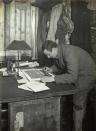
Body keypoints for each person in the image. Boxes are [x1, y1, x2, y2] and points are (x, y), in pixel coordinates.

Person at [41, 40, 96, 131]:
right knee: (62, 90)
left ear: (54, 49)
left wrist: (53, 78)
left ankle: (78, 128)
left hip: (87, 76)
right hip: (77, 74)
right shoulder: (59, 51)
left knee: (78, 102)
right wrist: (51, 69)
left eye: (49, 54)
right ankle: (62, 121)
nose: (48, 57)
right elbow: (59, 65)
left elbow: (72, 77)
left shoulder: (69, 53)